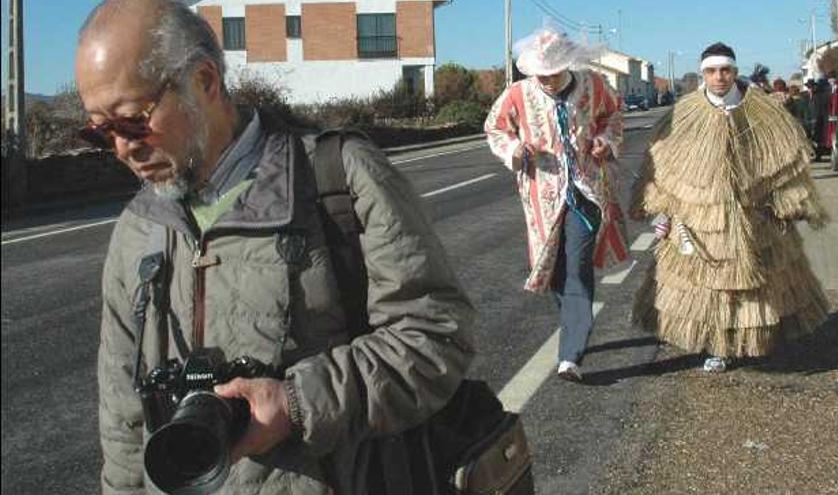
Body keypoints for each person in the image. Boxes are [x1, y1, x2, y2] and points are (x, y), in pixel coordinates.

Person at [76, 1, 475, 493]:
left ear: (204, 81)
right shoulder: (136, 229)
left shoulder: (340, 179)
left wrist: (295, 404)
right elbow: (122, 418)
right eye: (100, 132)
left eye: (133, 121)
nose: (121, 147)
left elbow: (437, 336)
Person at [630, 42, 829, 373]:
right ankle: (718, 347)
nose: (718, 77)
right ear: (703, 74)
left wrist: (792, 203)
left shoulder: (766, 113)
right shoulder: (682, 114)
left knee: (758, 287)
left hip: (756, 215)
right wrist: (663, 210)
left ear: (735, 72)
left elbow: (789, 161)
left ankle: (754, 338)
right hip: (702, 220)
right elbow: (661, 166)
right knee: (711, 289)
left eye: (725, 70)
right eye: (710, 71)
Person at [484, 27, 627, 383]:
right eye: (541, 73)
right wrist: (516, 150)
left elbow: (614, 114)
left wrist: (604, 140)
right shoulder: (517, 94)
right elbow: (495, 128)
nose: (547, 80)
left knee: (577, 263)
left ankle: (571, 354)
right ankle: (573, 324)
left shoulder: (592, 85)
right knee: (555, 266)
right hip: (541, 194)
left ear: (567, 65)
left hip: (586, 190)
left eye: (553, 72)